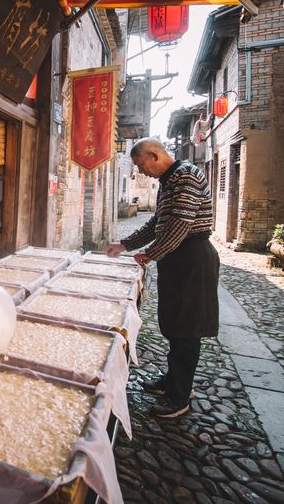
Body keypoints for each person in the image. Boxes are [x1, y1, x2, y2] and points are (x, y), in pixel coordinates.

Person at [106, 137, 219, 418]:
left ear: (154, 155)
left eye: (140, 164)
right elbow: (158, 222)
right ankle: (173, 381)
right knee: (175, 324)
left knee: (187, 329)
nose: (140, 171)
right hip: (178, 258)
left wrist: (151, 253)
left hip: (192, 258)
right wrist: (126, 244)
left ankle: (179, 397)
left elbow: (180, 223)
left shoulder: (186, 176)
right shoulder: (170, 182)